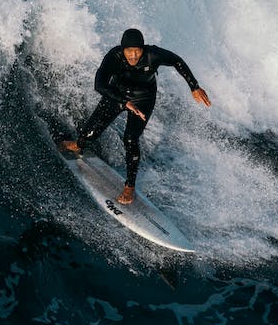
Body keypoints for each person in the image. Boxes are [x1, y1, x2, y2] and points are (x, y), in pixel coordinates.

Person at [62, 28, 210, 205]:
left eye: (137, 50)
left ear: (143, 49)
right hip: (118, 95)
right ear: (122, 49)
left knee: (131, 139)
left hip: (143, 99)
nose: (133, 55)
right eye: (129, 50)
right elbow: (99, 84)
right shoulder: (114, 56)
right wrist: (123, 101)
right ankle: (79, 145)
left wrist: (194, 86)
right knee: (89, 133)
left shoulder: (153, 54)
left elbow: (176, 61)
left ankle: (129, 187)